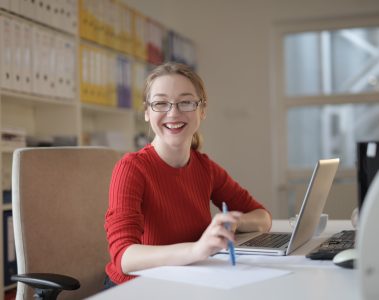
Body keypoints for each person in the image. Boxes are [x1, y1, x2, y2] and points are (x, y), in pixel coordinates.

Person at [104, 62, 272, 287]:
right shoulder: (132, 169)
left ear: (202, 110)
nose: (173, 113)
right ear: (146, 112)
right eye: (161, 103)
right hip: (137, 287)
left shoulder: (205, 168)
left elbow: (263, 217)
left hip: (187, 281)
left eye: (185, 102)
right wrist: (197, 249)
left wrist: (233, 221)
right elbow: (124, 258)